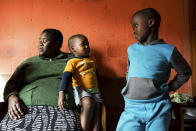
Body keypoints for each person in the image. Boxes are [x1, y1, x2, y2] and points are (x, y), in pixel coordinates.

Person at [116, 8, 192, 131]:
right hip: (132, 107)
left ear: (151, 23)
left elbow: (185, 72)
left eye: (136, 25)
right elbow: (129, 71)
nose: (133, 30)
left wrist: (171, 87)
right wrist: (131, 87)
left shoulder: (169, 50)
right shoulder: (131, 49)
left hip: (158, 107)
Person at [0, 29, 82, 130]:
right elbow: (12, 83)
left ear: (57, 44)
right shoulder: (29, 63)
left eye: (45, 40)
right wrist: (11, 97)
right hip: (25, 109)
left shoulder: (72, 60)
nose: (40, 44)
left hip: (62, 107)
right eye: (39, 40)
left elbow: (88, 74)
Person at [58, 34, 102, 131]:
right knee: (88, 103)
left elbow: (96, 74)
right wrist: (62, 93)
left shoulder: (93, 59)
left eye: (87, 44)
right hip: (82, 89)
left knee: (97, 109)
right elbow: (66, 77)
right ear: (73, 49)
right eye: (83, 44)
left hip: (95, 89)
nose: (87, 46)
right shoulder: (72, 62)